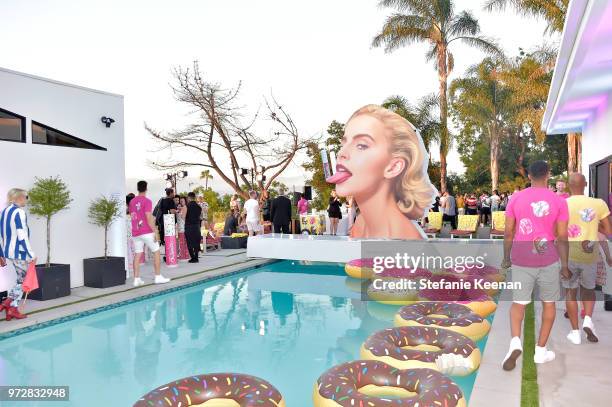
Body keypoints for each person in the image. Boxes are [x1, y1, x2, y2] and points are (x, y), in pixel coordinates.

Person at [327, 105, 436, 239]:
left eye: (361, 145)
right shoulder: (360, 226)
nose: (341, 153)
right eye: (344, 143)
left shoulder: (402, 239)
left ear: (394, 167)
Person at [501, 161, 569, 371]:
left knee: (519, 303)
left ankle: (515, 342)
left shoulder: (516, 197)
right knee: (549, 304)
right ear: (548, 175)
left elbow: (509, 232)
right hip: (548, 258)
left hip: (521, 258)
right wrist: (565, 265)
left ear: (529, 175)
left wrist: (506, 257)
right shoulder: (559, 201)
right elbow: (562, 237)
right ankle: (540, 351)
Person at [563, 173, 611, 344]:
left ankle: (575, 333)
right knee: (589, 289)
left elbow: (557, 231)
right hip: (589, 252)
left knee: (570, 291)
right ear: (586, 184)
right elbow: (608, 230)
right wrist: (592, 224)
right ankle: (588, 320)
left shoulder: (562, 204)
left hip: (568, 253)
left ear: (568, 185)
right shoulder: (598, 203)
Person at [0, 189, 36, 320]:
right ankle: (11, 306)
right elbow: (22, 235)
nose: (27, 199)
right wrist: (31, 254)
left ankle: (9, 305)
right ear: (20, 197)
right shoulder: (19, 212)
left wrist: (1, 253)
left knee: (21, 280)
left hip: (8, 251)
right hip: (19, 252)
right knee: (24, 281)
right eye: (26, 196)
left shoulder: (4, 211)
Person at [129, 181, 170, 287]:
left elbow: (133, 216)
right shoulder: (147, 201)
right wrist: (155, 232)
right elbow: (148, 217)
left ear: (137, 188)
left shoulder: (132, 202)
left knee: (137, 254)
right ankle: (158, 276)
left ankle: (136, 279)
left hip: (135, 232)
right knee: (156, 251)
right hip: (146, 231)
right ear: (146, 188)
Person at [185, 192, 202, 263]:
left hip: (189, 226)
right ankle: (196, 257)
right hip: (197, 226)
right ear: (194, 197)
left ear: (188, 198)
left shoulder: (187, 206)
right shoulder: (198, 207)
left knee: (189, 242)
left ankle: (193, 258)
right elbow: (200, 217)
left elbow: (184, 217)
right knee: (196, 242)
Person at [176, 196, 190, 261]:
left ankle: (183, 255)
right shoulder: (182, 208)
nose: (181, 202)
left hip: (182, 227)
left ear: (185, 201)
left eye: (182, 201)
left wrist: (179, 211)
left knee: (182, 242)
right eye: (180, 201)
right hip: (180, 227)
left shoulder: (184, 207)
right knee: (183, 242)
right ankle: (185, 255)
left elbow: (183, 217)